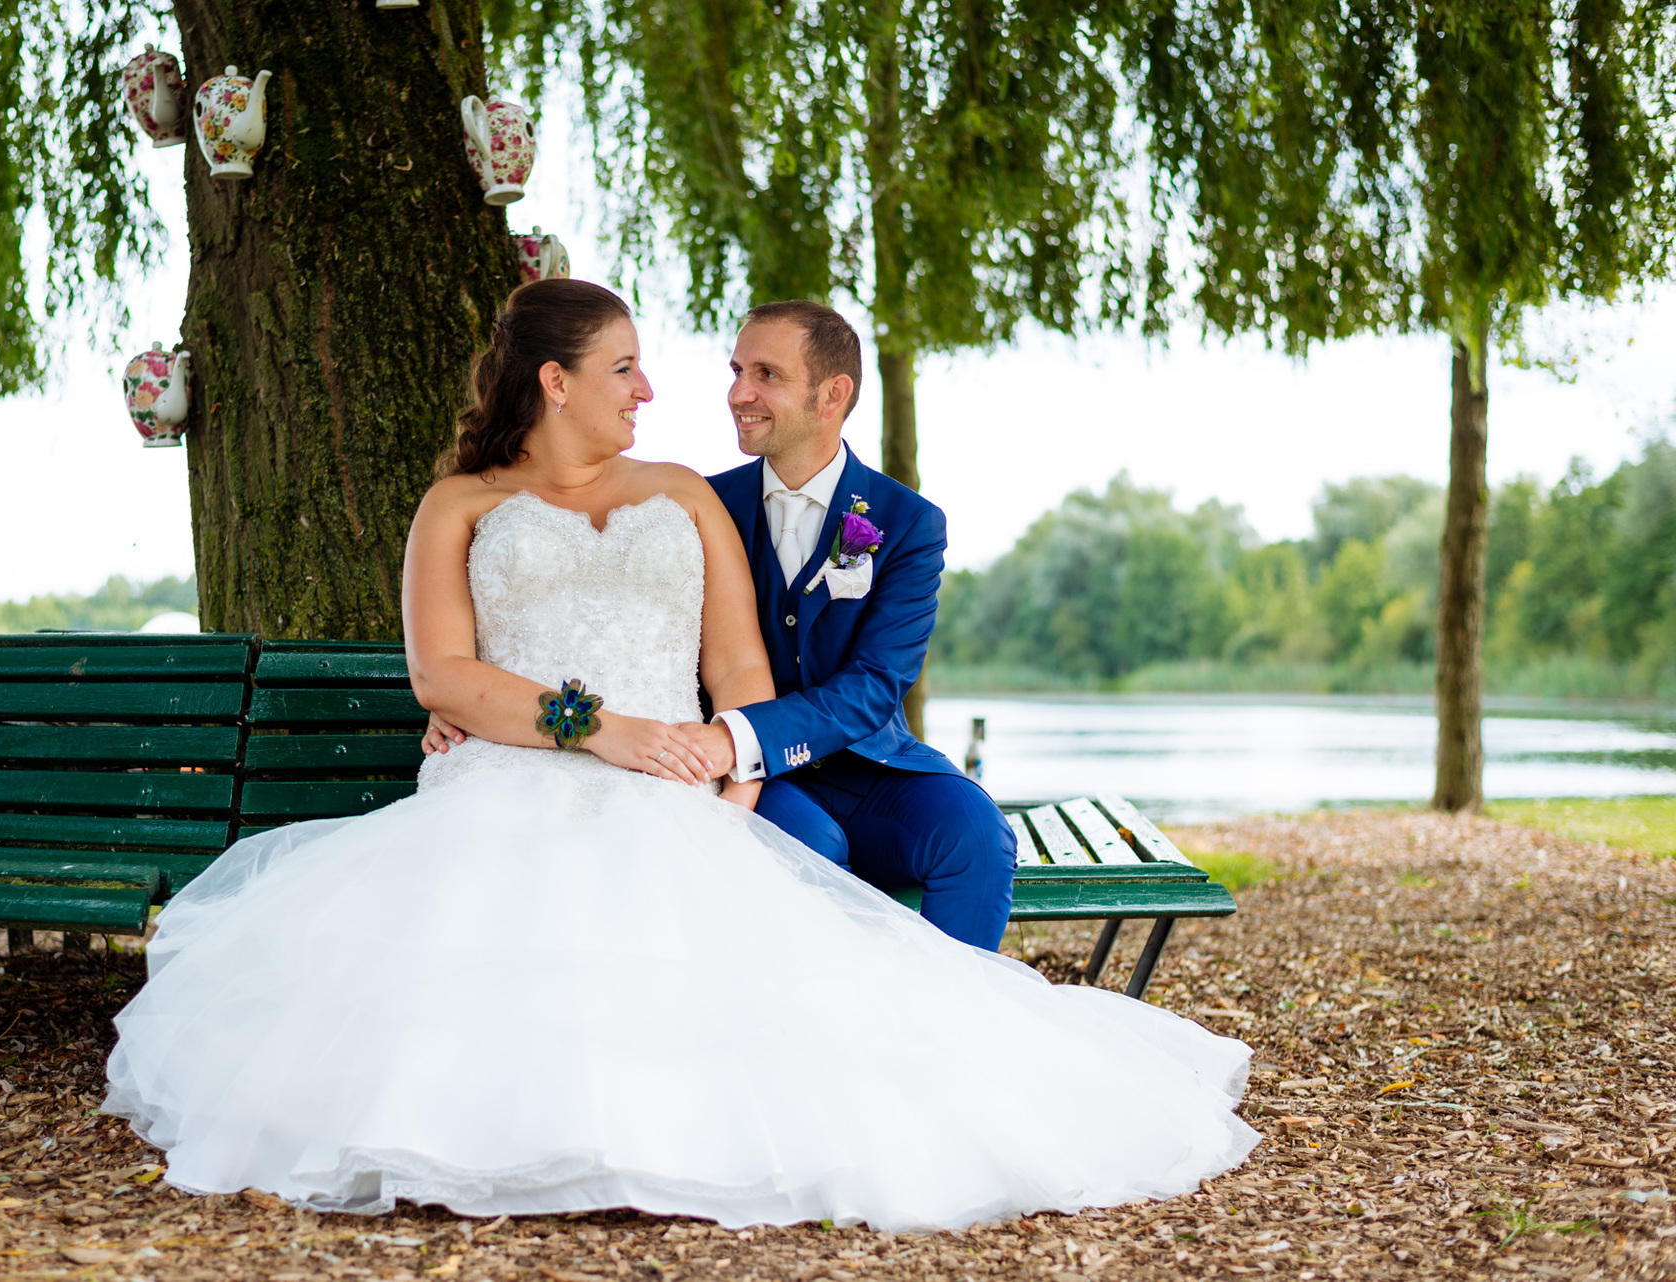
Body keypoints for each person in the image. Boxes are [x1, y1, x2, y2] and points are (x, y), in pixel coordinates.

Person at [103, 279, 1257, 1230]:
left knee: (879, 858)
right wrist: (586, 727)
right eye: (625, 367)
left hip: (699, 769)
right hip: (511, 776)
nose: (660, 389)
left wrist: (736, 774)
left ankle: (913, 1066)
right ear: (555, 382)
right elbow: (445, 676)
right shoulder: (457, 503)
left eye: (735, 373)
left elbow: (744, 672)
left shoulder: (687, 499)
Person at [427, 300, 1016, 950]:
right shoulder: (695, 502)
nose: (738, 393)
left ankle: (951, 1029)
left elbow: (878, 682)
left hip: (862, 760)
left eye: (765, 374)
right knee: (804, 844)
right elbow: (608, 617)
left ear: (832, 394)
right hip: (718, 765)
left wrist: (737, 742)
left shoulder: (905, 522)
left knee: (978, 835)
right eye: (736, 371)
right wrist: (479, 698)